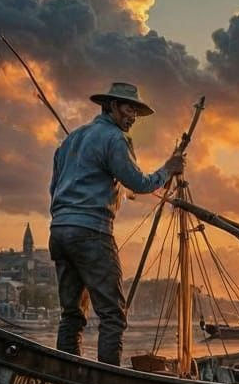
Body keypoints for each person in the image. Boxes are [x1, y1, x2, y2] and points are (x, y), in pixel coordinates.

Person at [49, 81, 184, 366]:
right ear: (110, 106)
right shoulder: (114, 139)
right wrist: (168, 169)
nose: (132, 116)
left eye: (135, 110)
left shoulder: (71, 140)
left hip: (60, 230)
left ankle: (67, 372)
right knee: (113, 314)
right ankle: (108, 377)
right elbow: (139, 183)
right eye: (128, 108)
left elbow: (55, 188)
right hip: (91, 232)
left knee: (72, 314)